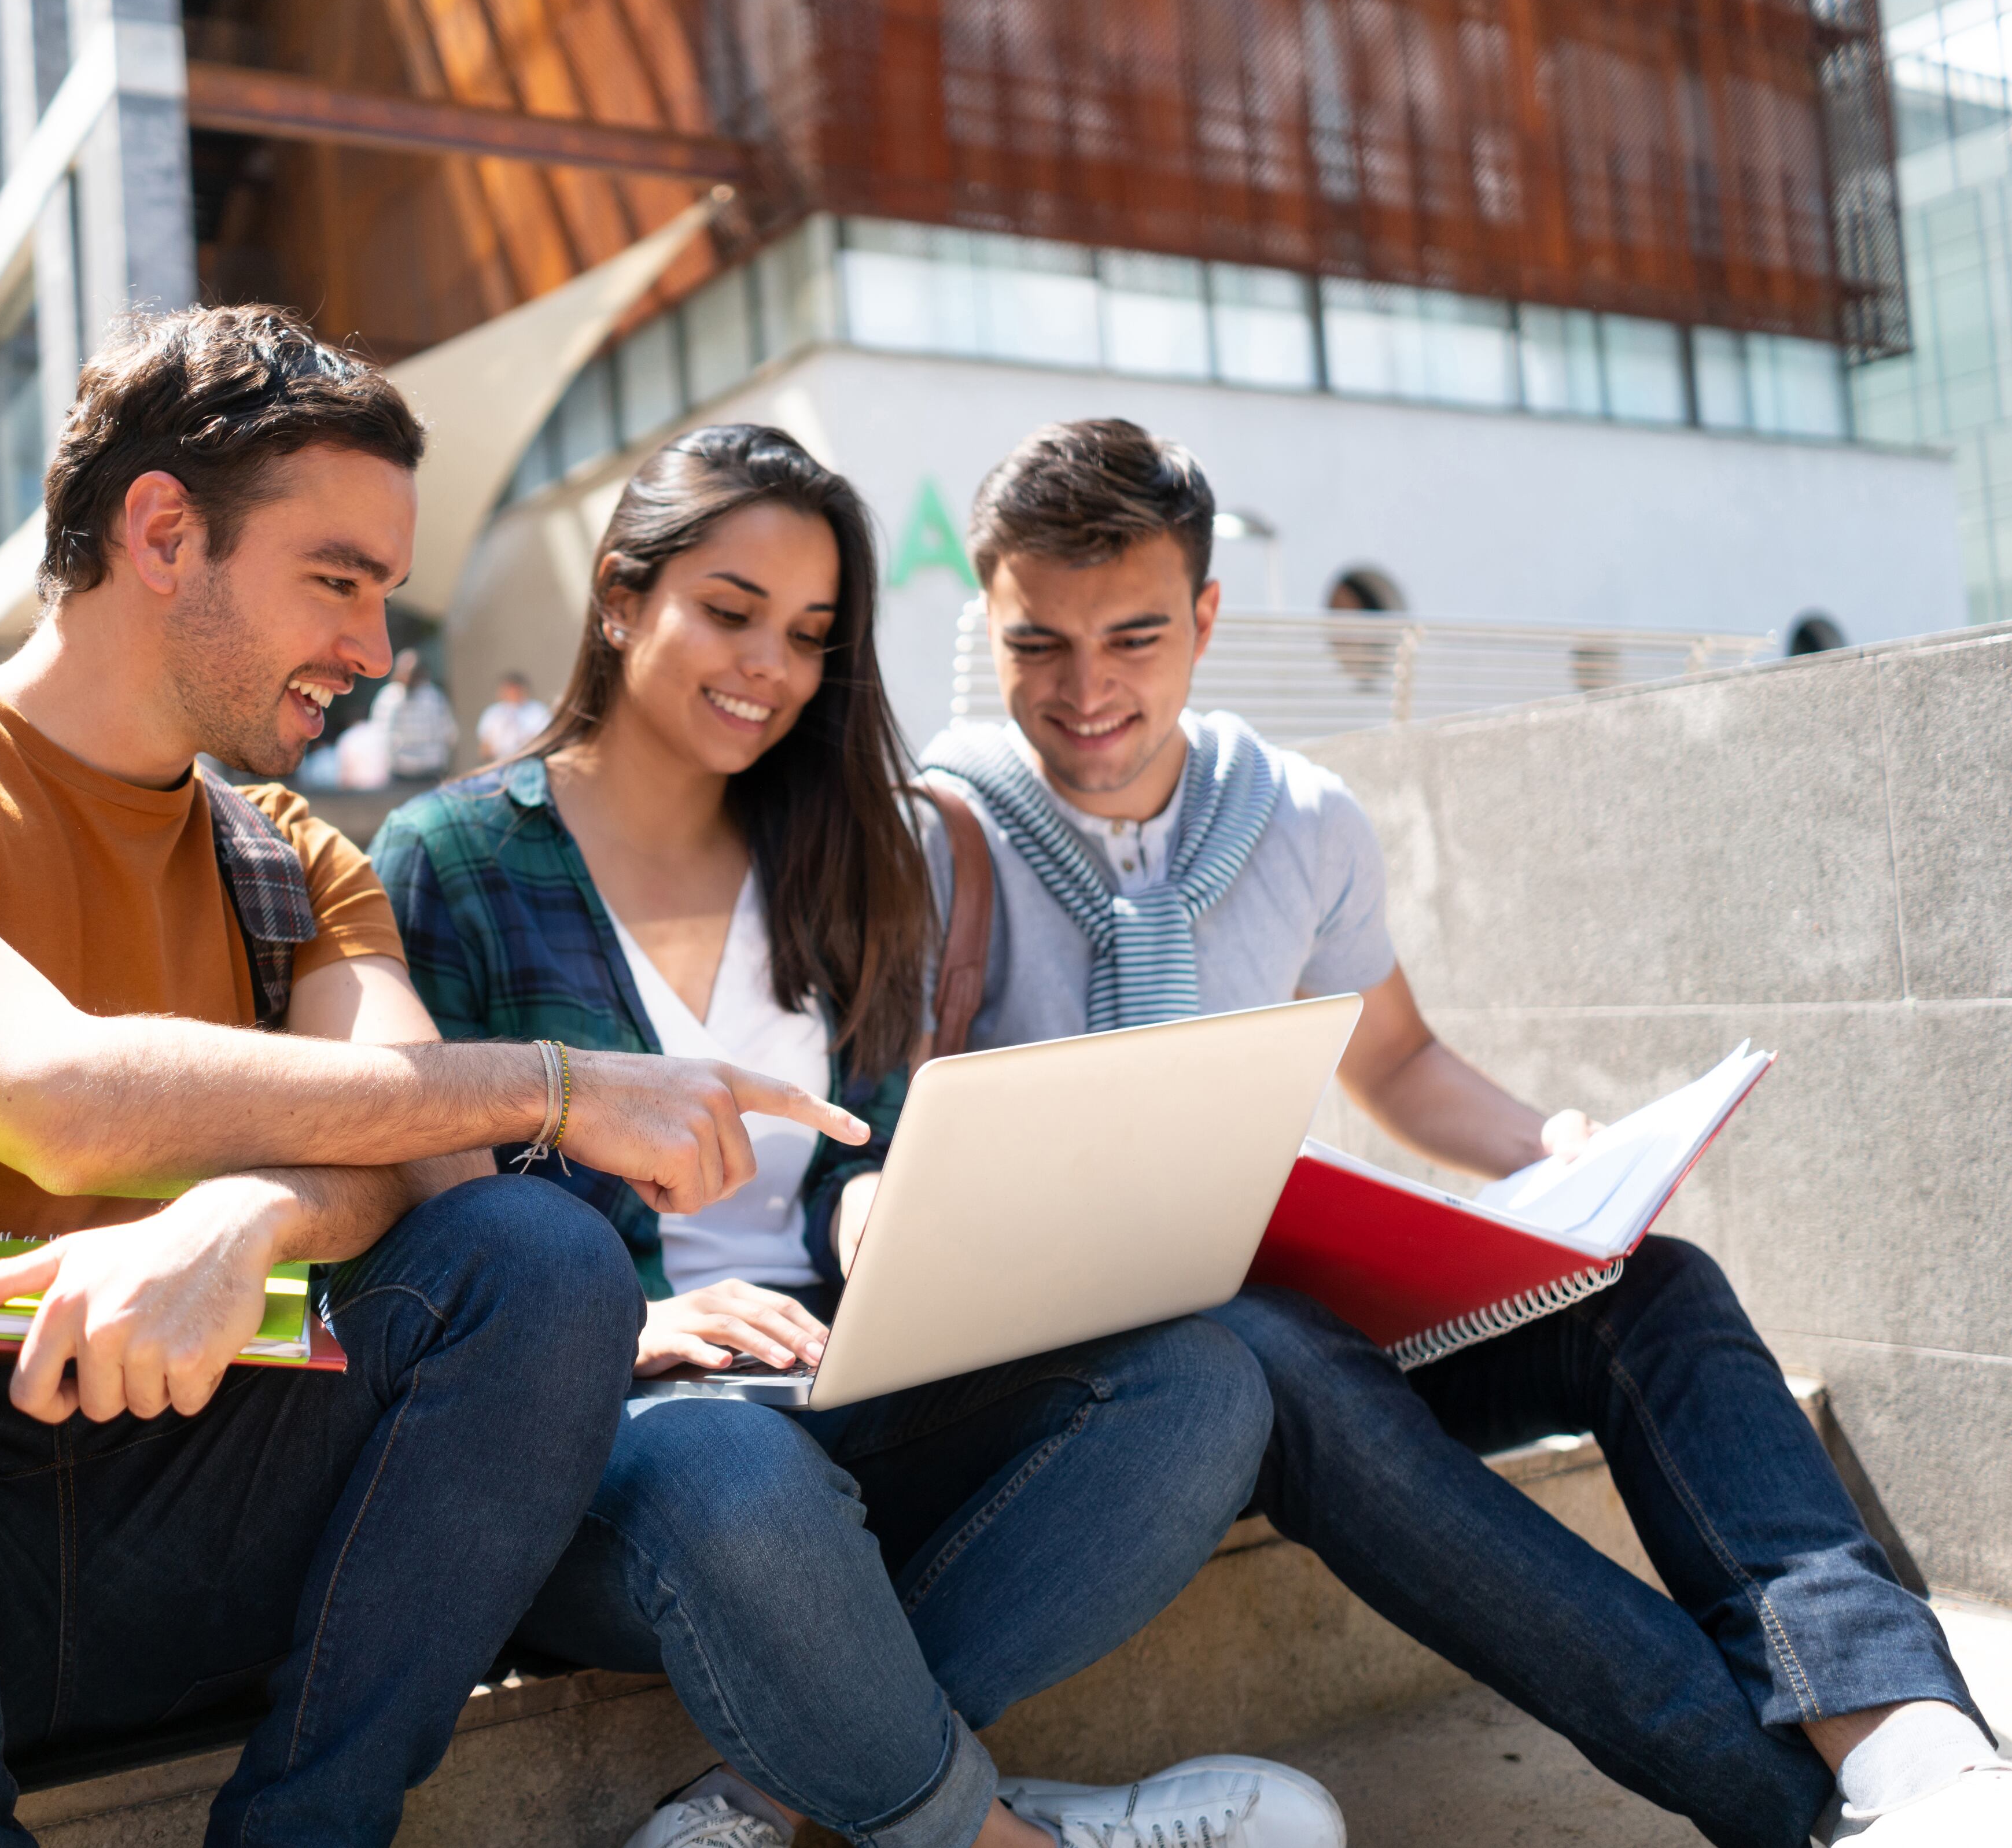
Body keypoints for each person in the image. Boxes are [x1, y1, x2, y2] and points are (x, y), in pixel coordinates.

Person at [0, 308, 871, 1848]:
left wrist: (246, 1219)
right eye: (336, 579)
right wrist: (555, 1078)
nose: (373, 651)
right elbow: (50, 1087)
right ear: (161, 529)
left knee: (537, 1253)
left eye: (386, 595)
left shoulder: (297, 856)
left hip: (214, 1509)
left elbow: (421, 1141)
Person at [918, 419, 2012, 1848]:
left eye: (1132, 636)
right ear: (988, 625)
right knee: (1269, 1354)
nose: (1085, 692)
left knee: (1653, 1288)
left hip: (1291, 1327)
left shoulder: (1295, 819)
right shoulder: (933, 836)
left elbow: (1394, 1058)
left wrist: (1548, 1151)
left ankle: (1915, 1758)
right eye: (1036, 647)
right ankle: (1804, 1817)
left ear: (1207, 616)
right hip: (1109, 1407)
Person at [370, 423, 1343, 1848]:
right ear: (625, 595)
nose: (768, 663)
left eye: (811, 632)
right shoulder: (452, 861)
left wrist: (886, 1218)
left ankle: (772, 1805)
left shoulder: (848, 850)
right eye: (730, 610)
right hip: (608, 1436)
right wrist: (627, 1318)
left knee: (1198, 1385)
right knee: (741, 1476)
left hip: (841, 1372)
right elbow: (420, 1195)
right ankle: (1007, 1836)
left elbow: (854, 1152)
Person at [370, 645, 457, 779]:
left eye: (412, 672)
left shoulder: (433, 696)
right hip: (400, 772)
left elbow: (448, 733)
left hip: (431, 771)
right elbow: (380, 734)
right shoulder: (389, 697)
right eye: (404, 671)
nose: (408, 676)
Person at [471, 668, 550, 765]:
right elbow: (485, 749)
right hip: (500, 765)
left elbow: (546, 740)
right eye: (509, 690)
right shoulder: (493, 713)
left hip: (531, 762)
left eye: (515, 690)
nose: (512, 694)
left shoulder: (538, 711)